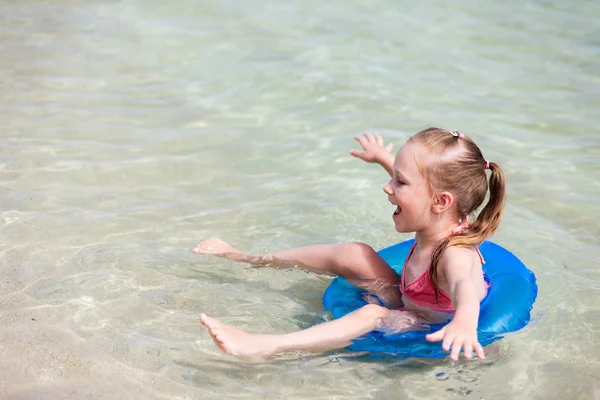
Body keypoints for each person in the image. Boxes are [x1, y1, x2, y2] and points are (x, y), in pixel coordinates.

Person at [194, 127, 505, 363]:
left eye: (400, 181)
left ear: (441, 202)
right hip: (412, 299)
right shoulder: (436, 211)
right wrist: (383, 158)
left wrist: (464, 322)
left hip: (427, 325)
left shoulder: (453, 254)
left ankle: (265, 346)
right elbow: (422, 190)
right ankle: (248, 257)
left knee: (371, 313)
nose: (388, 187)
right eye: (393, 176)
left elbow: (464, 283)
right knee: (355, 253)